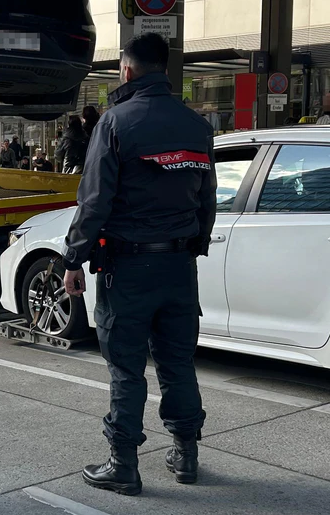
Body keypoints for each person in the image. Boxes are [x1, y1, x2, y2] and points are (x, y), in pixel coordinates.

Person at [62, 33, 217, 496]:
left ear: (126, 70)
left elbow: (94, 201)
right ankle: (186, 455)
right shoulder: (197, 125)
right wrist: (193, 247)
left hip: (128, 268)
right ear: (164, 69)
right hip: (179, 266)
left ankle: (123, 464)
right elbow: (207, 198)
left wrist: (73, 257)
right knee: (178, 362)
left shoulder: (115, 122)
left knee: (127, 369)